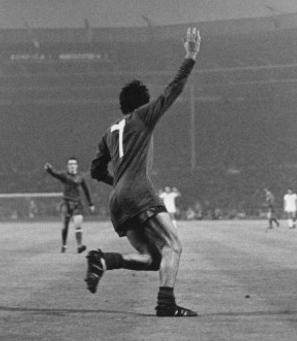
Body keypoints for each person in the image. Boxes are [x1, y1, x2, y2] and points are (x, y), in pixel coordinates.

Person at [88, 27, 201, 317]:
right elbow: (171, 92)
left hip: (118, 201)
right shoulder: (142, 117)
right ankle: (166, 304)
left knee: (152, 258)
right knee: (173, 245)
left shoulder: (110, 131)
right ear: (141, 103)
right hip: (139, 194)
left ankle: (104, 260)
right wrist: (190, 57)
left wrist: (118, 182)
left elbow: (95, 170)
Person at [44, 157, 95, 253]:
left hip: (77, 204)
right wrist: (50, 170)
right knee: (65, 226)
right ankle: (64, 245)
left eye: (73, 164)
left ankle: (79, 246)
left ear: (76, 166)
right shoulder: (64, 175)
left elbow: (86, 190)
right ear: (67, 166)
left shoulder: (80, 177)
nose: (72, 166)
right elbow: (55, 174)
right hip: (66, 204)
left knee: (78, 225)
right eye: (70, 164)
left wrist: (91, 203)